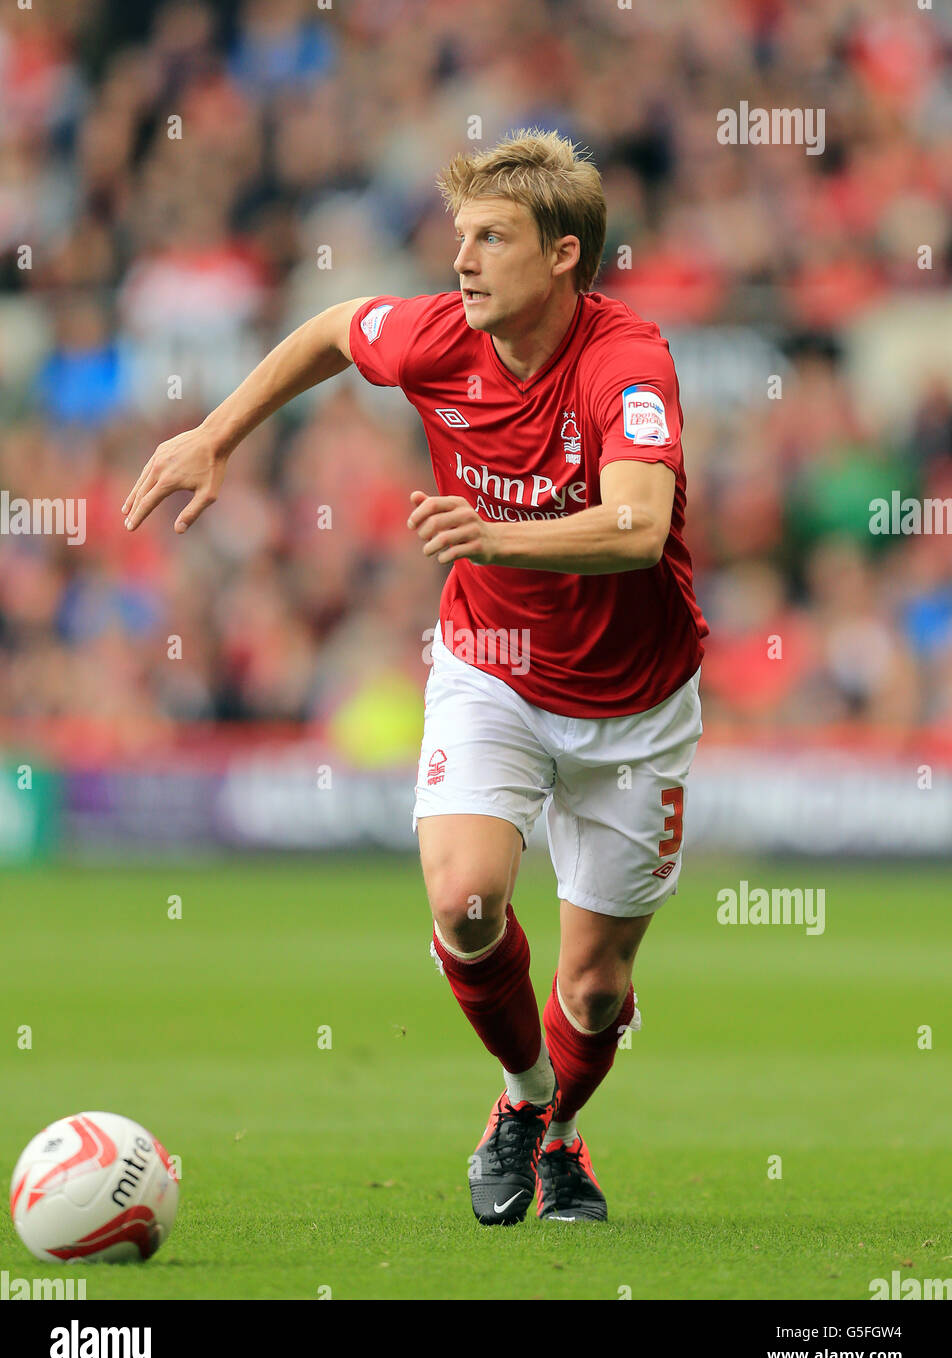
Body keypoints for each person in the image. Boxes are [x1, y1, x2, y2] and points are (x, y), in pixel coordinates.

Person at [123, 129, 708, 1225]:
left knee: (593, 987)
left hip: (635, 704)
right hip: (490, 668)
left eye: (493, 238)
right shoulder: (438, 336)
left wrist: (495, 535)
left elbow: (638, 526)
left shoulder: (626, 360)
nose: (463, 262)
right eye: (459, 238)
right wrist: (215, 431)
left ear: (565, 255)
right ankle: (524, 1102)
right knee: (466, 901)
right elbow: (333, 331)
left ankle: (562, 1135)